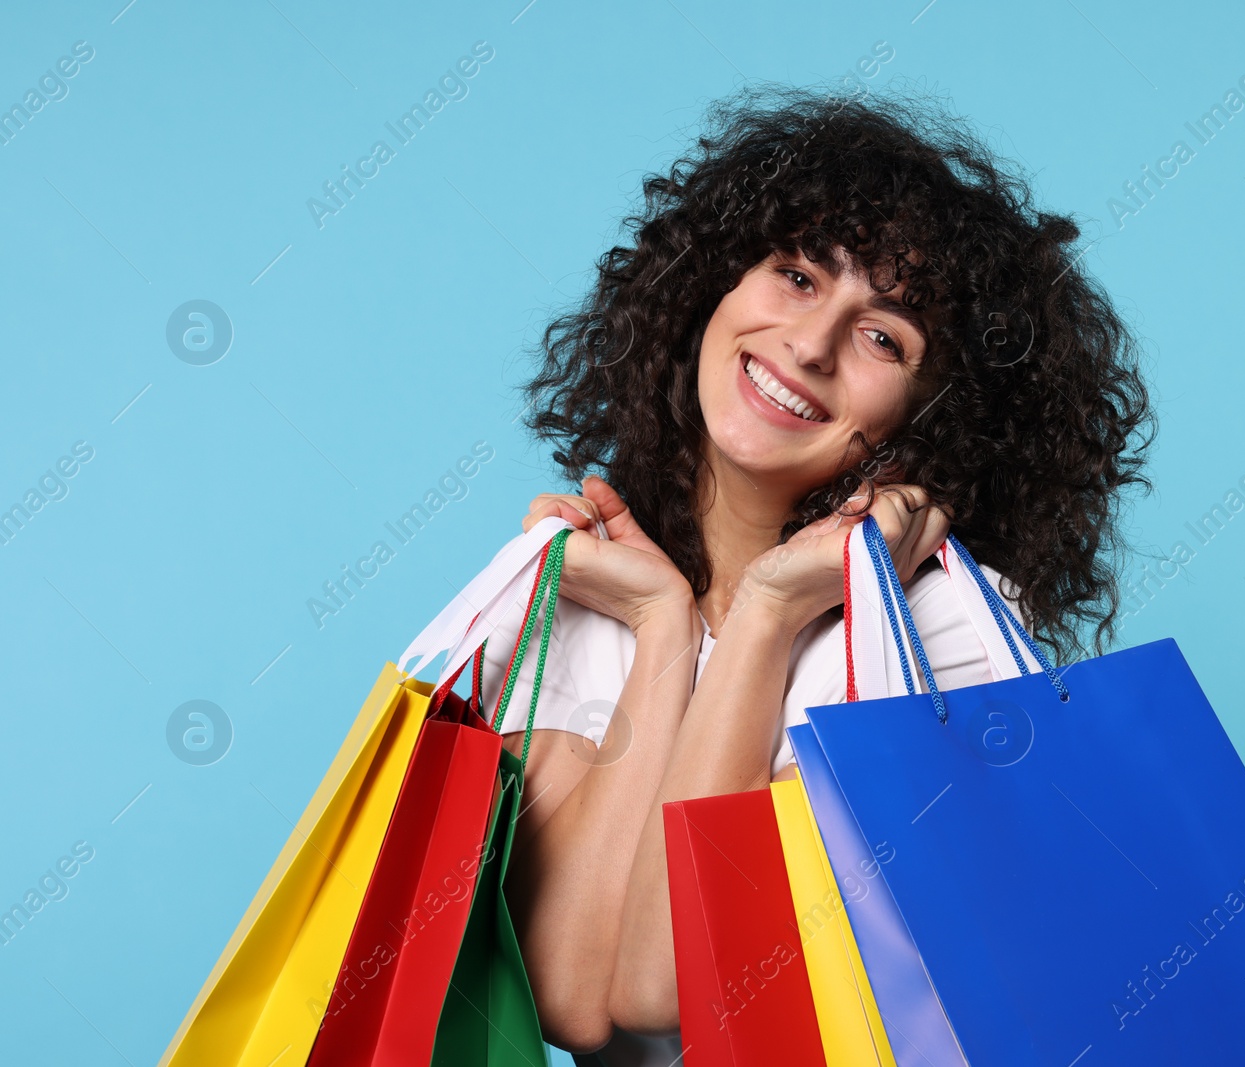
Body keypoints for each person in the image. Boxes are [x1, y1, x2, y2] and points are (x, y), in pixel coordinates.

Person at [471, 82, 1154, 1064]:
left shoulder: (937, 638)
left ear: (932, 413)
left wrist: (765, 617)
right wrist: (666, 624)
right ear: (708, 280)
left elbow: (668, 982)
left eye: (883, 336)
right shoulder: (588, 599)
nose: (809, 343)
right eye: (796, 275)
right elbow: (575, 1003)